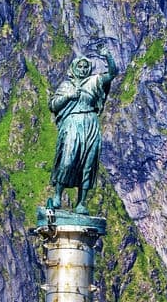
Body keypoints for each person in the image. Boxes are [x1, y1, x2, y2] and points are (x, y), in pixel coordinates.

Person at [47, 46, 118, 211]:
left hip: (90, 124)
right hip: (72, 124)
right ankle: (58, 195)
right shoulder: (67, 85)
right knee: (67, 159)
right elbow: (53, 105)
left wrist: (108, 56)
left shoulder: (94, 81)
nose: (83, 69)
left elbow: (112, 74)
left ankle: (82, 202)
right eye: (80, 66)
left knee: (88, 163)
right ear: (73, 67)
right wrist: (68, 97)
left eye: (86, 66)